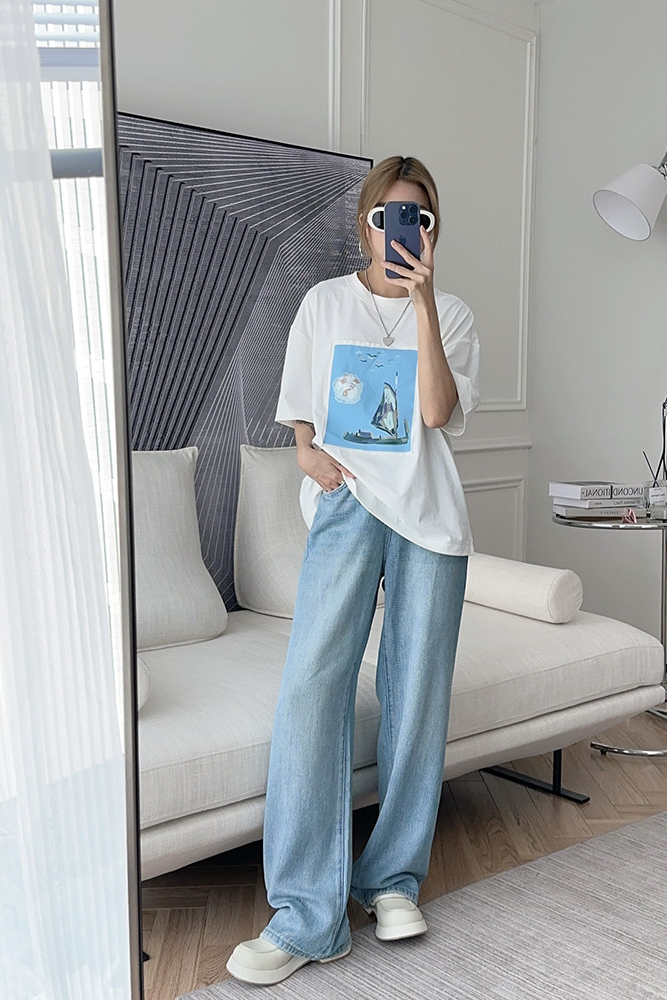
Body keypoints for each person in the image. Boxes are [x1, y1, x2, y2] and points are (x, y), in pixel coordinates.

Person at [226, 155, 480, 986]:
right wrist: (308, 454)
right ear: (364, 224)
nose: (400, 232)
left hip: (430, 520)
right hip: (346, 505)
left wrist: (424, 303)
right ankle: (307, 914)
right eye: (387, 217)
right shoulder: (324, 302)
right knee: (312, 688)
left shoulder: (454, 313)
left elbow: (435, 411)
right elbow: (300, 413)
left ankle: (393, 880)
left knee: (417, 695)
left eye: (418, 219)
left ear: (432, 231)